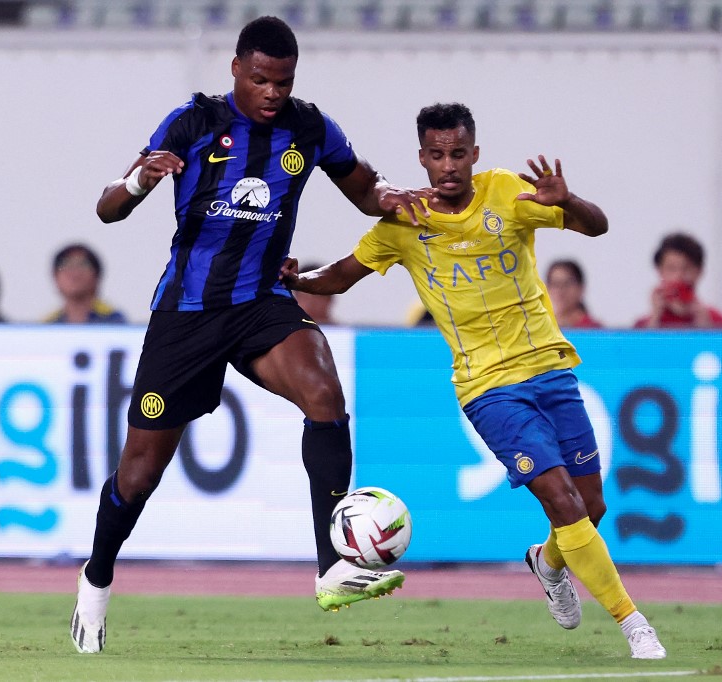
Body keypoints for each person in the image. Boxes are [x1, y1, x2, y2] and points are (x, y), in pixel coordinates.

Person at [70, 16, 433, 654]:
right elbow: (108, 208)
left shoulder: (310, 128)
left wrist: (391, 196)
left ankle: (332, 567)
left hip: (262, 301)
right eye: (261, 79)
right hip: (188, 314)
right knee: (139, 473)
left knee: (324, 394)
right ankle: (96, 578)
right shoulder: (191, 123)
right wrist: (139, 181)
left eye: (283, 82)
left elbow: (364, 190)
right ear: (236, 68)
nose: (272, 92)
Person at [281, 102, 667, 660]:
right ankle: (635, 625)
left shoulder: (507, 192)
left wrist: (569, 202)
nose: (449, 166)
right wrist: (300, 279)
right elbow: (340, 276)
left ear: (474, 154)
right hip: (488, 387)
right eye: (437, 155)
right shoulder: (405, 223)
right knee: (561, 501)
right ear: (422, 158)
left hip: (550, 369)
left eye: (458, 154)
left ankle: (547, 563)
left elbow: (597, 226)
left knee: (590, 506)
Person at [633, 232, 722, 329]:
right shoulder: (641, 327)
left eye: (687, 268)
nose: (679, 276)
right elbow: (641, 340)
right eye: (671, 268)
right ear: (660, 271)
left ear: (699, 272)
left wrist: (707, 329)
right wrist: (654, 319)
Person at [44, 243, 126, 324]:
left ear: (97, 276)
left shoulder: (115, 322)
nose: (75, 273)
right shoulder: (48, 325)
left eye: (83, 264)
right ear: (55, 277)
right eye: (66, 265)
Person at [545, 259, 603, 328]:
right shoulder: (543, 327)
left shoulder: (593, 329)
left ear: (581, 287)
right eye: (555, 284)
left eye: (567, 283)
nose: (560, 290)